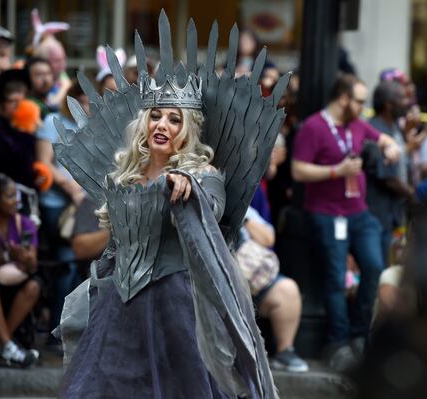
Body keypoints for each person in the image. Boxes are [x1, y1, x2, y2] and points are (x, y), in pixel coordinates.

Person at [56, 12, 282, 398]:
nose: (162, 125)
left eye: (175, 120)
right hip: (119, 304)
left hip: (177, 305)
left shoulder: (204, 173)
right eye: (156, 116)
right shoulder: (123, 176)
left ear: (188, 130)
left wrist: (188, 184)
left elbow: (210, 211)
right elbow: (117, 243)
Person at [291, 74, 400, 368]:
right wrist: (336, 171)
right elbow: (298, 171)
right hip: (327, 214)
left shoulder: (357, 125)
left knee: (375, 266)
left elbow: (384, 138)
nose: (363, 108)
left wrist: (390, 147)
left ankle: (359, 336)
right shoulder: (313, 127)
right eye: (359, 101)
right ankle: (338, 343)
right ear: (343, 98)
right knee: (336, 278)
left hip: (358, 213)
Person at [36, 82, 86, 348]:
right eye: (82, 99)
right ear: (71, 98)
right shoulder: (53, 121)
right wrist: (69, 187)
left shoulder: (95, 124)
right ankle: (57, 331)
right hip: (58, 202)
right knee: (65, 263)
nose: (86, 105)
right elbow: (43, 161)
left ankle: (78, 332)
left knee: (86, 266)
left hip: (88, 203)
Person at [0, 173, 40, 368]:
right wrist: (5, 258)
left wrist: (26, 259)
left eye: (16, 196)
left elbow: (33, 267)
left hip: (15, 282)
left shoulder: (25, 224)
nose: (16, 201)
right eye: (10, 196)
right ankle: (11, 349)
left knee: (34, 285)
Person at [236, 206, 308, 373]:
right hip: (208, 280)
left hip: (250, 279)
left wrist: (239, 217)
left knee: (287, 290)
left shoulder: (242, 204)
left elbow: (268, 238)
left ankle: (285, 352)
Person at [363, 80, 415, 266]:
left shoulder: (394, 127)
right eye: (402, 97)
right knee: (379, 268)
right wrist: (416, 196)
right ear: (388, 104)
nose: (407, 102)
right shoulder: (376, 130)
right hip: (378, 214)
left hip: (392, 213)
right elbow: (389, 178)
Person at [0, 69, 38, 189]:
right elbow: (17, 166)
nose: (20, 106)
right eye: (13, 102)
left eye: (23, 101)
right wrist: (24, 134)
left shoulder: (16, 126)